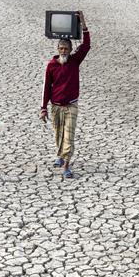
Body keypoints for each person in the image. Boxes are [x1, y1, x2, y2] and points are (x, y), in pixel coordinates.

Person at [40, 11, 90, 179]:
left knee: (69, 136)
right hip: (55, 107)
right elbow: (47, 87)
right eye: (61, 48)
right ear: (57, 48)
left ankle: (66, 165)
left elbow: (87, 45)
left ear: (70, 50)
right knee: (58, 134)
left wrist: (83, 23)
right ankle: (60, 156)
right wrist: (43, 109)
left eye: (66, 49)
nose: (63, 51)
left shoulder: (75, 61)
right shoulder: (52, 65)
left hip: (71, 106)